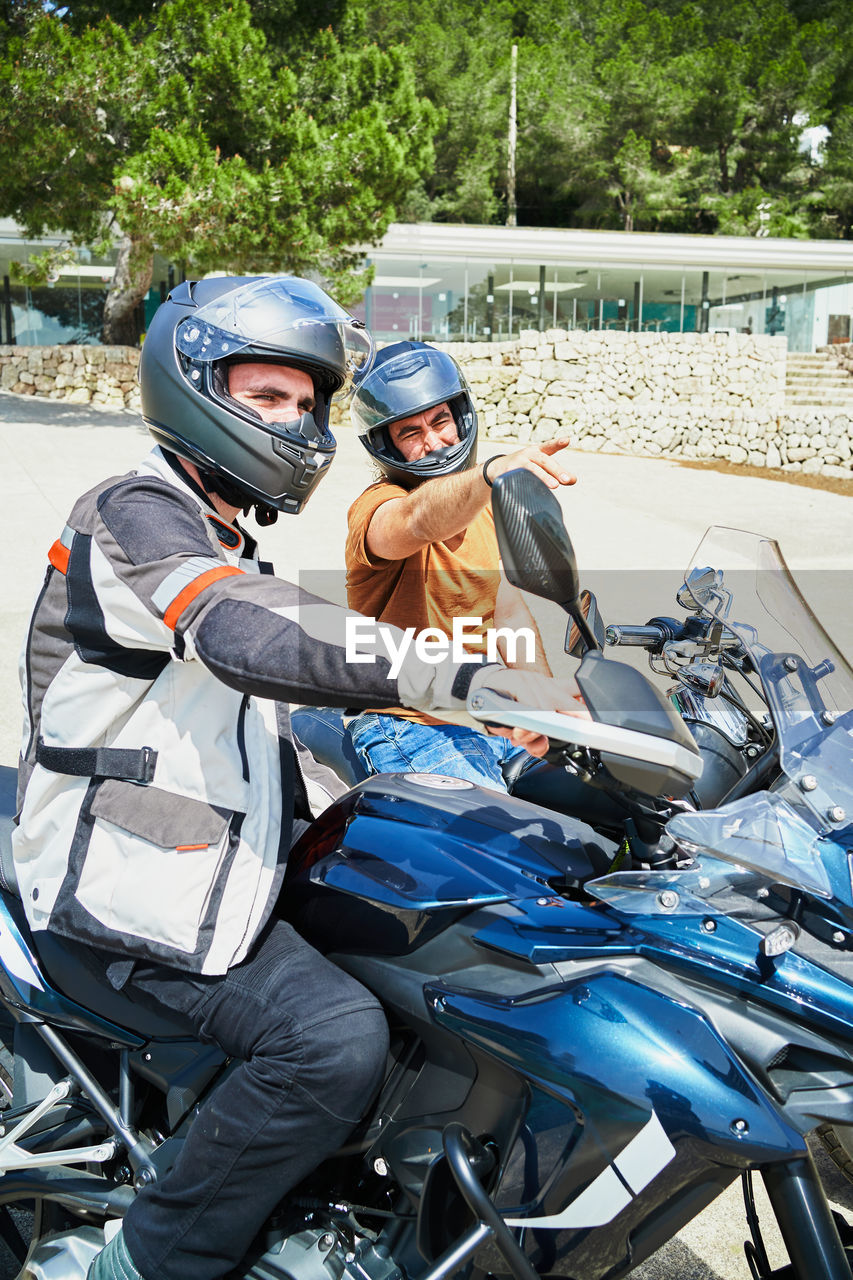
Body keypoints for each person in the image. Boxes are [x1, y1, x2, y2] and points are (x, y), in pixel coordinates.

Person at [12, 277, 582, 1280]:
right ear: (196, 390)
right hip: (116, 882)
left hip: (205, 856)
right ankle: (142, 1260)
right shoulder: (135, 516)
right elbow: (243, 630)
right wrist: (454, 671)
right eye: (268, 395)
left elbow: (256, 685)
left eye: (304, 402)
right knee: (330, 1039)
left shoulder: (220, 529)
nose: (295, 420)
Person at [345, 340, 585, 791]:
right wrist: (491, 472)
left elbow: (509, 614)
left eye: (440, 421)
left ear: (462, 418)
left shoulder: (488, 507)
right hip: (410, 722)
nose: (434, 442)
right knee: (497, 841)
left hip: (491, 710)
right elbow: (417, 521)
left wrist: (549, 709)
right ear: (385, 446)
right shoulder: (377, 507)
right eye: (411, 434)